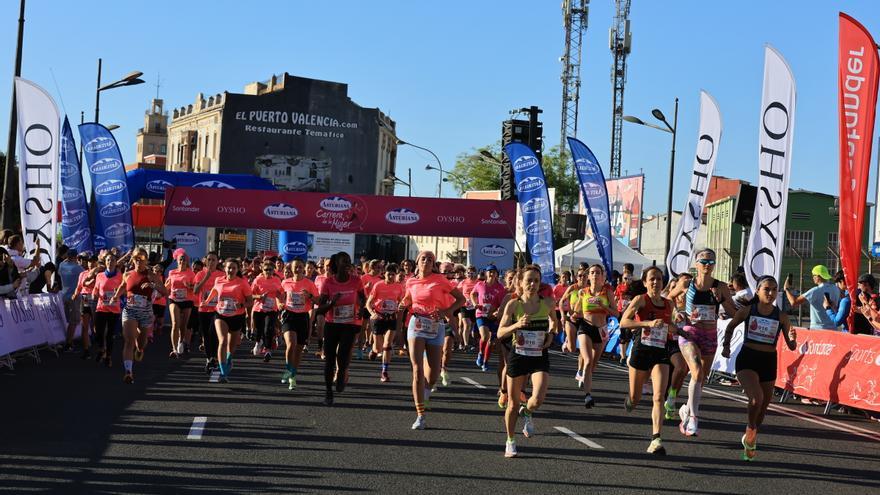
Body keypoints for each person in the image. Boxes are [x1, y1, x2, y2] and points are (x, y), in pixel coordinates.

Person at [722, 276, 797, 461]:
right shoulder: (749, 310)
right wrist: (726, 346)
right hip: (748, 358)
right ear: (757, 291)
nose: (771, 293)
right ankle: (749, 429)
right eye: (766, 289)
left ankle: (752, 433)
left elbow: (792, 346)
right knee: (756, 399)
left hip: (769, 361)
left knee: (763, 407)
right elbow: (730, 327)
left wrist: (793, 338)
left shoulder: (781, 316)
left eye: (774, 290)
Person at [666, 248, 737, 436]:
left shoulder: (720, 287)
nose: (707, 265)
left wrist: (722, 300)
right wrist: (677, 313)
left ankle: (686, 410)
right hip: (690, 332)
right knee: (695, 370)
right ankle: (693, 419)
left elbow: (732, 312)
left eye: (711, 262)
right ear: (696, 264)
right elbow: (669, 299)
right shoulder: (686, 283)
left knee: (700, 379)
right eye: (703, 262)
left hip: (710, 335)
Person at [497, 265, 558, 458]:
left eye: (536, 281)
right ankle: (510, 441)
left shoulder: (548, 303)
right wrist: (516, 324)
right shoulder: (513, 305)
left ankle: (528, 412)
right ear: (520, 283)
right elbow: (500, 333)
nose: (532, 284)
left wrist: (551, 335)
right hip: (519, 355)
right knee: (512, 405)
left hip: (539, 355)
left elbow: (554, 323)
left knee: (538, 398)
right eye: (528, 280)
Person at [400, 250, 465, 429]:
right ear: (417, 262)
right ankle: (420, 415)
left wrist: (445, 312)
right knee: (417, 370)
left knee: (434, 373)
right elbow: (408, 299)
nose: (426, 261)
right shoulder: (411, 281)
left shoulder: (441, 280)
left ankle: (426, 392)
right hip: (417, 324)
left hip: (436, 327)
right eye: (423, 259)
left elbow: (461, 299)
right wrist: (403, 304)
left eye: (430, 259)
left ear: (434, 264)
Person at [620, 266, 680, 455]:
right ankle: (630, 399)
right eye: (652, 279)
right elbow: (624, 322)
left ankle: (656, 439)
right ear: (645, 282)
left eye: (659, 279)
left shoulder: (668, 304)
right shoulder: (640, 300)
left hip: (660, 352)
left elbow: (671, 326)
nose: (656, 282)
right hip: (641, 351)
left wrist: (674, 326)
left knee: (658, 396)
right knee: (636, 398)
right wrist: (647, 323)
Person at [110, 247, 168, 384]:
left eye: (141, 258)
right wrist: (116, 296)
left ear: (146, 260)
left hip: (146, 312)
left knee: (141, 343)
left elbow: (164, 291)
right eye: (136, 258)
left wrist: (152, 285)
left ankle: (140, 348)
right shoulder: (127, 274)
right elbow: (123, 286)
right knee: (129, 340)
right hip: (130, 310)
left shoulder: (151, 275)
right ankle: (128, 372)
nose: (138, 261)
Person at [314, 252, 365, 405]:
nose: (348, 263)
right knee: (329, 359)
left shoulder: (356, 281)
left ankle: (341, 372)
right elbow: (320, 310)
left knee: (342, 356)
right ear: (337, 264)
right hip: (332, 324)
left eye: (349, 260)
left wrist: (361, 308)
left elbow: (363, 298)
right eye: (344, 261)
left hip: (350, 324)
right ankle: (328, 392)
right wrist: (331, 304)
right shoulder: (328, 282)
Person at [568, 264, 618, 409]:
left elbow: (616, 313)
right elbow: (576, 312)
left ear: (603, 276)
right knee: (588, 360)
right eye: (592, 273)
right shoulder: (583, 292)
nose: (595, 275)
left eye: (598, 272)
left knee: (593, 365)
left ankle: (584, 375)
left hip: (601, 330)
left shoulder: (607, 291)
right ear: (588, 277)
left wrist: (604, 307)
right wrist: (574, 312)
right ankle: (588, 395)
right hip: (586, 327)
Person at [203, 258, 253, 383]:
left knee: (231, 347)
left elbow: (250, 301)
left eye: (234, 268)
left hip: (237, 316)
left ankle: (228, 359)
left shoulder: (242, 283)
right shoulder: (218, 280)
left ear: (237, 270)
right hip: (220, 314)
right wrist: (207, 301)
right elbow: (215, 290)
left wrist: (241, 306)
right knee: (222, 341)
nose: (231, 270)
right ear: (224, 268)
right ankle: (222, 372)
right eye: (229, 267)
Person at [279, 259, 318, 390]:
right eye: (296, 267)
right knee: (291, 344)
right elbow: (279, 296)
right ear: (291, 268)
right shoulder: (285, 282)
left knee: (299, 349)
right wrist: (279, 303)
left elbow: (317, 299)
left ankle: (293, 376)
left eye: (301, 267)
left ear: (304, 268)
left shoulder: (309, 283)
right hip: (289, 315)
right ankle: (288, 369)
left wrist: (310, 296)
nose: (298, 269)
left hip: (303, 317)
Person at [366, 262, 405, 382]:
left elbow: (402, 301)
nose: (391, 277)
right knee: (378, 348)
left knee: (387, 345)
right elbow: (368, 303)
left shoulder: (399, 287)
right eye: (388, 274)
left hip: (391, 318)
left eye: (393, 275)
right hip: (379, 318)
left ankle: (384, 372)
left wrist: (401, 306)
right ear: (385, 274)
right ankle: (373, 350)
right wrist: (373, 314)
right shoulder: (378, 285)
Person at [664, 272, 692, 419]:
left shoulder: (691, 302)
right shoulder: (667, 301)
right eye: (683, 284)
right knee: (670, 375)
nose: (684, 289)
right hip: (667, 341)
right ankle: (667, 398)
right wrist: (674, 313)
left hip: (684, 342)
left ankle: (671, 399)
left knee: (681, 370)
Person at [472, 265, 507, 373]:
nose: (492, 274)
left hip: (493, 316)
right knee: (485, 336)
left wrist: (497, 312)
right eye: (490, 272)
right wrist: (475, 303)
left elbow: (502, 304)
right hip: (481, 314)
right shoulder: (480, 284)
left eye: (494, 272)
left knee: (492, 343)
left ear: (497, 274)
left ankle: (486, 361)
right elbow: (472, 294)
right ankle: (481, 354)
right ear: (486, 273)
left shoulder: (500, 287)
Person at [783, 265, 840, 330]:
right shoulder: (836, 289)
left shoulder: (815, 290)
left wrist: (787, 289)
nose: (813, 277)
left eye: (813, 275)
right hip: (833, 328)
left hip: (818, 329)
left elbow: (793, 302)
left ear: (818, 276)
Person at [92, 252, 123, 368]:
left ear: (116, 263)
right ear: (105, 262)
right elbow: (96, 289)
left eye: (112, 260)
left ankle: (108, 357)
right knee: (98, 332)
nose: (110, 262)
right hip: (101, 307)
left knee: (110, 335)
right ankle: (101, 349)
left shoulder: (120, 276)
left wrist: (118, 293)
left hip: (114, 309)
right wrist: (94, 294)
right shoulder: (100, 275)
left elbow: (125, 289)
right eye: (108, 260)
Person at [165, 249, 196, 358]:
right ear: (177, 261)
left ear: (187, 261)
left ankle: (181, 340)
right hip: (174, 299)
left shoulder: (191, 273)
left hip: (187, 300)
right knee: (175, 323)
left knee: (183, 325)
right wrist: (164, 286)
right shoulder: (172, 272)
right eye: (180, 259)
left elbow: (195, 288)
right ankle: (174, 349)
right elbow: (167, 287)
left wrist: (189, 286)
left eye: (184, 259)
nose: (182, 261)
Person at [251, 260, 284, 362]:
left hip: (272, 309)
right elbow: (250, 295)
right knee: (259, 329)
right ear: (262, 269)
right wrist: (260, 296)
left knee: (268, 329)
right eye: (266, 270)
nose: (268, 272)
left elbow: (280, 293)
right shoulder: (258, 280)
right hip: (259, 309)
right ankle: (258, 342)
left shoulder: (277, 280)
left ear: (273, 270)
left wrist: (279, 302)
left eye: (270, 270)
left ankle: (268, 350)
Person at [58, 248, 87, 357]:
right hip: (74, 297)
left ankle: (69, 342)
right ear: (76, 257)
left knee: (71, 321)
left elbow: (63, 265)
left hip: (64, 295)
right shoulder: (78, 268)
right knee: (73, 322)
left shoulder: (62, 265)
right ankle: (68, 344)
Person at [457, 265, 479, 352]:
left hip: (474, 306)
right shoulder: (463, 282)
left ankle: (471, 342)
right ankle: (466, 344)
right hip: (464, 306)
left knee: (472, 326)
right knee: (466, 325)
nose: (470, 274)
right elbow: (456, 291)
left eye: (472, 273)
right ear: (466, 274)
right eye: (468, 273)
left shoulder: (478, 283)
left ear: (475, 273)